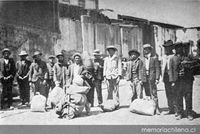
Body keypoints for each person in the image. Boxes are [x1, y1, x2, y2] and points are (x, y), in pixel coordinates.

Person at [173, 42, 196, 120]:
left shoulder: (188, 56)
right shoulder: (174, 57)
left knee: (188, 96)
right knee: (179, 96)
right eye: (177, 48)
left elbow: (196, 62)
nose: (179, 49)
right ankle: (180, 113)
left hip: (188, 80)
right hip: (178, 81)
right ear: (175, 49)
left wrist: (188, 63)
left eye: (180, 47)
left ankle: (189, 113)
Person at [142, 44, 161, 115]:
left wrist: (157, 78)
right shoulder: (142, 59)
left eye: (147, 49)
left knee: (154, 93)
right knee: (147, 94)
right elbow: (141, 69)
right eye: (144, 49)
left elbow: (157, 68)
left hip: (152, 77)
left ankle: (157, 108)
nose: (146, 50)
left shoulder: (154, 58)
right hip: (145, 78)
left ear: (150, 50)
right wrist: (141, 79)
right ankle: (150, 108)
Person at [161, 40, 177, 115]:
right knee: (168, 93)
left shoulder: (174, 56)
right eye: (165, 48)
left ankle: (177, 109)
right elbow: (162, 67)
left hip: (173, 76)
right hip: (166, 76)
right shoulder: (164, 56)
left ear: (171, 48)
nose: (166, 49)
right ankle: (170, 109)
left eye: (168, 48)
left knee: (174, 92)